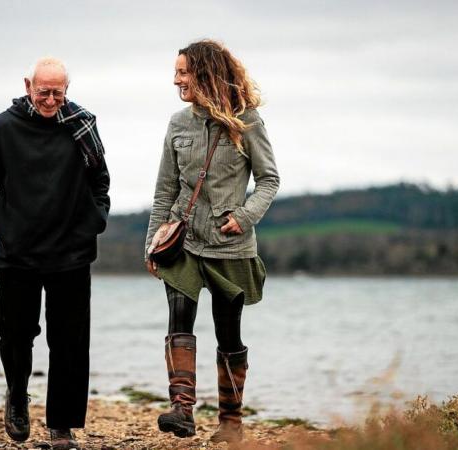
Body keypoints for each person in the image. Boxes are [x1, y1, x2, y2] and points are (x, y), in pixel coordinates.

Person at [0, 57, 110, 450]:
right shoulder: (3, 127)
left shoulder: (82, 125)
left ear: (67, 89)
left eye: (58, 93)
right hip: (19, 254)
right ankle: (16, 396)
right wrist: (2, 224)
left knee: (69, 343)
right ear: (28, 85)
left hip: (72, 254)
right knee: (15, 336)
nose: (50, 100)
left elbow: (100, 179)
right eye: (43, 91)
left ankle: (61, 426)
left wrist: (94, 220)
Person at [145, 40, 279, 443]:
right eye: (176, 72)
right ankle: (182, 411)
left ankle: (231, 423)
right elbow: (164, 189)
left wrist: (245, 216)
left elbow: (269, 180)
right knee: (179, 317)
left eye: (183, 72)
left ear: (204, 73)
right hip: (181, 240)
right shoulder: (177, 124)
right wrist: (152, 241)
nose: (176, 79)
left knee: (229, 334)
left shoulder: (248, 120)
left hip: (229, 246)